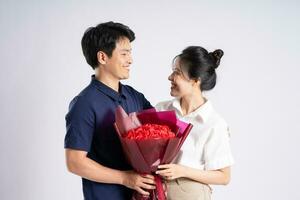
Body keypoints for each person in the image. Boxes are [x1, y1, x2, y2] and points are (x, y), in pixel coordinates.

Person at [64, 21, 156, 200]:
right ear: (102, 57)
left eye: (130, 53)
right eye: (124, 54)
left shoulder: (134, 96)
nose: (130, 60)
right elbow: (75, 162)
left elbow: (161, 132)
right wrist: (125, 178)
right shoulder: (84, 104)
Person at [155, 46, 234, 200]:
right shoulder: (161, 109)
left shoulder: (213, 123)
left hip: (191, 193)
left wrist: (183, 171)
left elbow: (224, 177)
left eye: (177, 72)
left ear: (195, 81)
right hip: (157, 192)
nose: (170, 77)